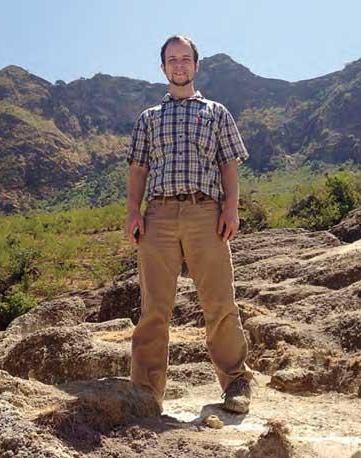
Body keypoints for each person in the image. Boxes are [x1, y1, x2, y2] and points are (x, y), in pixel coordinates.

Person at [125, 35, 254, 414]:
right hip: (159, 217)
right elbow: (138, 169)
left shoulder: (216, 113)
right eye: (171, 59)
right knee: (154, 309)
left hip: (205, 213)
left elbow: (228, 165)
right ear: (163, 67)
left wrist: (231, 208)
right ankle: (146, 394)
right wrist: (134, 211)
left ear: (196, 66)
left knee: (219, 302)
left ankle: (235, 384)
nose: (179, 65)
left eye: (185, 59)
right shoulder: (149, 119)